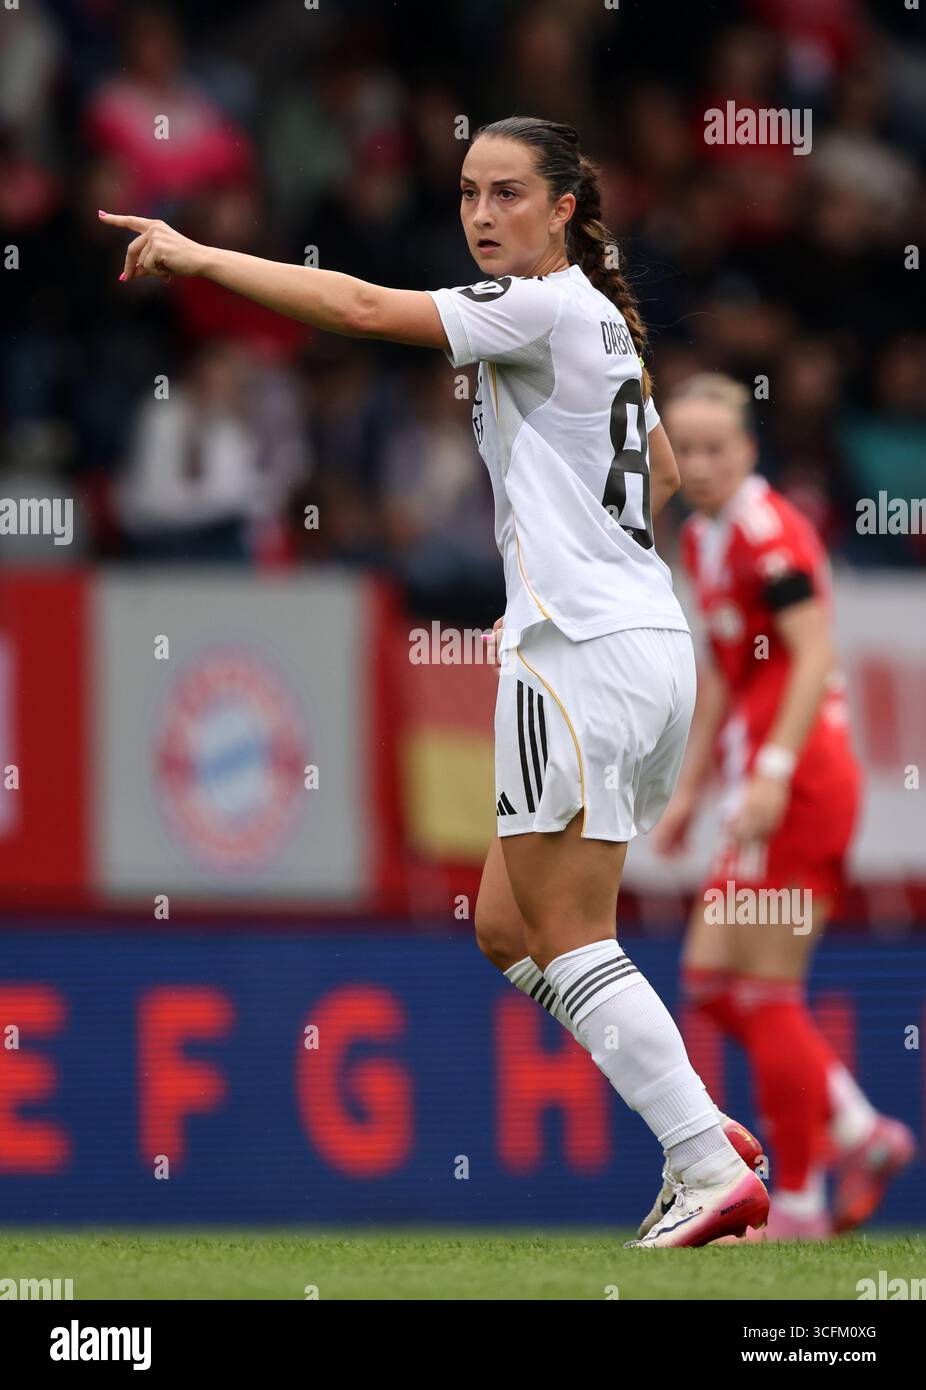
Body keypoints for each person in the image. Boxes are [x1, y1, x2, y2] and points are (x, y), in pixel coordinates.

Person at [100, 115, 768, 1247]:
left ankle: (702, 1157)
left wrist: (197, 254)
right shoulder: (603, 319)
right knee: (505, 925)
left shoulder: (544, 304)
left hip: (574, 650)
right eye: (466, 193)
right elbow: (655, 470)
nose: (479, 215)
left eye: (507, 194)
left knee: (567, 932)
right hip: (642, 639)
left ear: (563, 209)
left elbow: (362, 310)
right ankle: (698, 1119)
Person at [653, 372, 915, 1239]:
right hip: (764, 784)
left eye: (713, 448)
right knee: (711, 983)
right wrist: (690, 788)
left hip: (801, 786)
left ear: (749, 452)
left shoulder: (771, 533)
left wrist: (768, 770)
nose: (696, 464)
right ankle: (855, 1127)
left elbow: (811, 656)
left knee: (763, 991)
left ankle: (798, 1201)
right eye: (682, 448)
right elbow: (730, 677)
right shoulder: (702, 541)